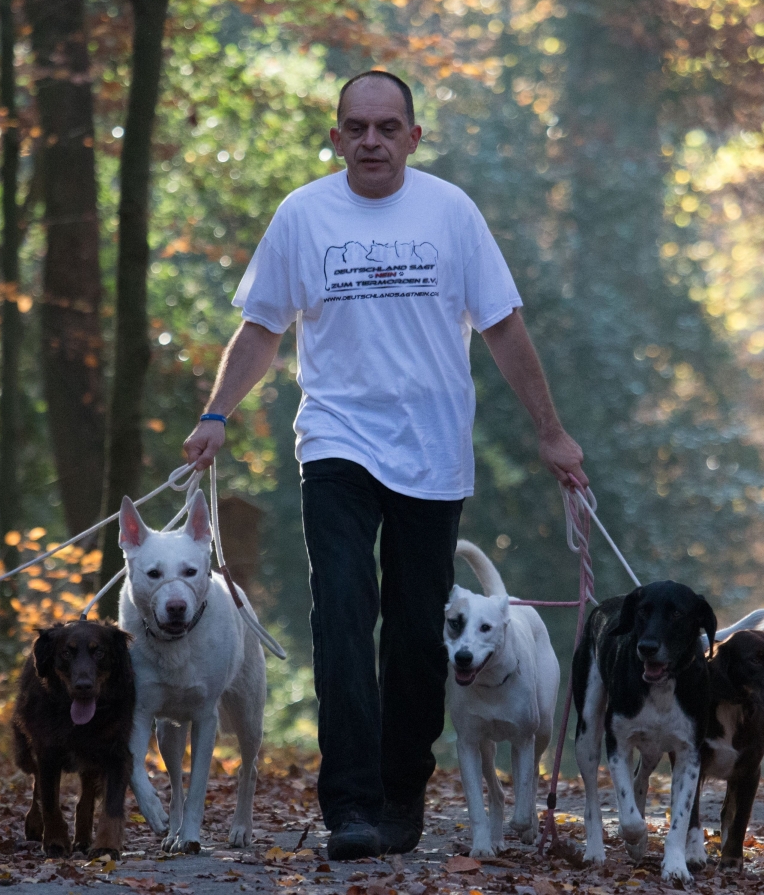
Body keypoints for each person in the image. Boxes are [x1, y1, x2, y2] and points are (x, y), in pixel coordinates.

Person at [182, 70, 587, 860]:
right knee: (340, 611)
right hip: (336, 439)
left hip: (434, 454)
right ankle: (353, 805)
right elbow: (263, 328)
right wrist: (214, 412)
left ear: (412, 136)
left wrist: (552, 432)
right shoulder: (302, 215)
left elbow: (503, 327)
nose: (371, 140)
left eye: (387, 126)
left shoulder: (452, 213)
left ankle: (403, 792)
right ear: (336, 137)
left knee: (413, 631)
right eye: (356, 127)